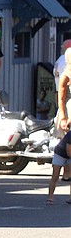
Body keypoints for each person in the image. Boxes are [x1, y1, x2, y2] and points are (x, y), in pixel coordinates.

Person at [47, 48, 71, 204]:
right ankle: (66, 172)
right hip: (69, 109)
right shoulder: (66, 75)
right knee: (67, 141)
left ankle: (67, 173)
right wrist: (63, 116)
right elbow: (60, 97)